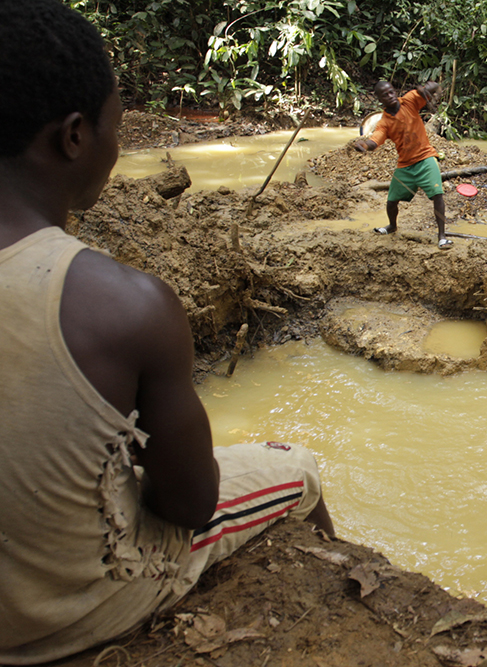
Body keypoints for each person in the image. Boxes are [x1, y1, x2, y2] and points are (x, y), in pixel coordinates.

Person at [0, 1, 335, 663]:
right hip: (56, 618)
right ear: (74, 136)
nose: (118, 148)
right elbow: (188, 502)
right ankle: (328, 605)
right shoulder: (123, 304)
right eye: (115, 126)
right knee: (298, 468)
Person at [353, 80, 453, 249]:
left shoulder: (409, 100)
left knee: (437, 194)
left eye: (391, 92)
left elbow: (431, 89)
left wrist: (428, 89)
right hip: (405, 164)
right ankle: (392, 226)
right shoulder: (384, 122)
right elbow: (375, 140)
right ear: (380, 99)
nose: (390, 96)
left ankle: (442, 236)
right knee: (391, 201)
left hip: (425, 157)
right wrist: (363, 145)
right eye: (385, 95)